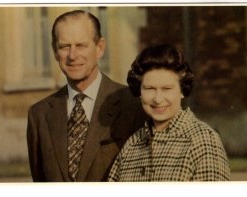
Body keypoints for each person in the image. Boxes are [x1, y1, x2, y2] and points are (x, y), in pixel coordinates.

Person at [26, 10, 146, 182]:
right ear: (54, 52)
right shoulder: (39, 115)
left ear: (100, 48)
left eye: (81, 45)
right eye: (64, 46)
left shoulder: (133, 105)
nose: (73, 55)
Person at [108, 44, 231, 181]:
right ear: (140, 91)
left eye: (167, 88)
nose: (158, 99)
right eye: (149, 88)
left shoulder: (203, 141)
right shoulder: (132, 145)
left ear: (182, 90)